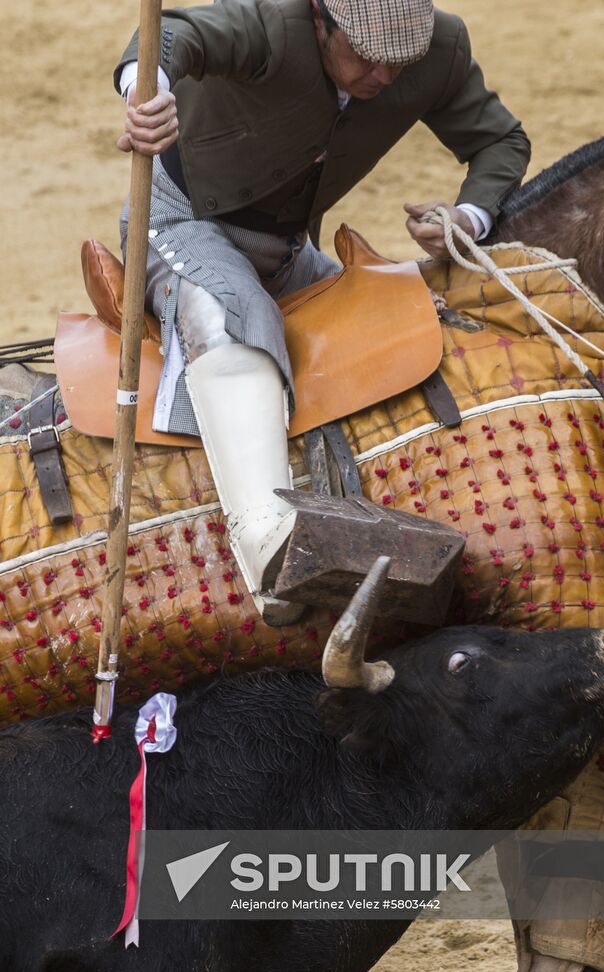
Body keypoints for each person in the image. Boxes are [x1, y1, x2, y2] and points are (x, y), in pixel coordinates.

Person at [114, 0, 530, 626]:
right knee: (236, 314)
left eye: (401, 61)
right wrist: (146, 93)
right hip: (182, 221)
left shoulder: (440, 47)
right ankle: (267, 544)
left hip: (290, 249)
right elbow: (175, 34)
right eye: (365, 54)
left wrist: (468, 217)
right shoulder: (271, 23)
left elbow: (500, 138)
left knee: (395, 317)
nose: (384, 77)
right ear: (319, 18)